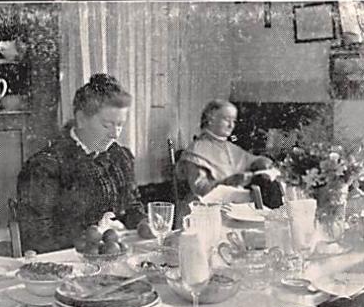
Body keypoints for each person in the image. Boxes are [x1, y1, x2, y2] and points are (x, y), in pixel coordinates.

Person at [17, 74, 146, 253]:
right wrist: (93, 237)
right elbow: (37, 237)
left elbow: (131, 206)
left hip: (112, 254)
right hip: (69, 260)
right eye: (107, 125)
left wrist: (143, 223)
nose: (115, 134)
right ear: (81, 119)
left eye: (120, 125)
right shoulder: (46, 165)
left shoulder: (119, 157)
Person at [177, 99, 283, 208]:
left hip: (234, 204)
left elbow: (251, 160)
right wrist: (228, 181)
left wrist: (262, 161)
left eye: (234, 121)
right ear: (210, 119)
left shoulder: (230, 147)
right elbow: (200, 190)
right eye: (227, 119)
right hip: (205, 208)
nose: (231, 125)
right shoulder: (196, 149)